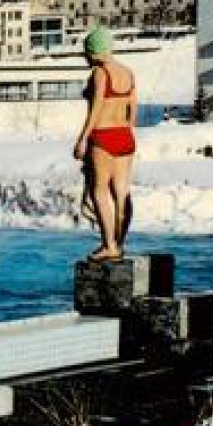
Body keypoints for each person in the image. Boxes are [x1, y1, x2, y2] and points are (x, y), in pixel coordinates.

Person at [74, 26, 138, 262]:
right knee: (121, 191)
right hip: (125, 136)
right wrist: (127, 128)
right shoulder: (128, 72)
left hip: (103, 136)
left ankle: (109, 244)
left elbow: (97, 108)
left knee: (99, 190)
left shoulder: (100, 73)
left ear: (93, 51)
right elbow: (133, 108)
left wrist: (83, 139)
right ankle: (119, 244)